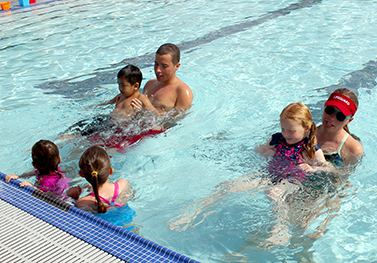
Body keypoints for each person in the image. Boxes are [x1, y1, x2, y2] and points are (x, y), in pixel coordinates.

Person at [131, 43, 193, 114]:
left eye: (164, 66)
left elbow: (174, 121)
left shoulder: (183, 92)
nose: (157, 70)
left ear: (177, 66)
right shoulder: (149, 84)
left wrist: (145, 110)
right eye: (156, 64)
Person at [69, 145, 133, 213]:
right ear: (111, 171)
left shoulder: (83, 202)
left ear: (81, 174)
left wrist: (75, 198)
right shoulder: (123, 184)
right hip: (128, 219)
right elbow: (131, 197)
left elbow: (77, 215)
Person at [5, 140, 71, 199]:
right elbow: (34, 173)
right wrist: (18, 176)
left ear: (34, 165)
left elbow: (44, 197)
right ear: (59, 160)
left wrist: (32, 187)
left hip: (60, 199)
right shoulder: (54, 169)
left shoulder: (48, 182)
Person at [316, 88, 363, 167]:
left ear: (349, 121)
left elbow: (344, 177)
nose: (332, 117)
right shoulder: (305, 133)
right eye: (330, 109)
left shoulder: (353, 149)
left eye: (340, 116)